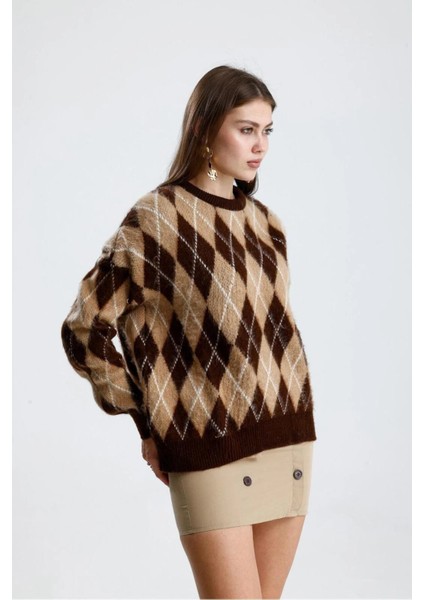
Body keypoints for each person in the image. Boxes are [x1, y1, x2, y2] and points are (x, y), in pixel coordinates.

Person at [61, 65, 317, 599]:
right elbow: (84, 329)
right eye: (246, 129)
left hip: (287, 436)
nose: (261, 145)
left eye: (267, 130)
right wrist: (146, 419)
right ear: (204, 129)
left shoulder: (267, 225)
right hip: (206, 445)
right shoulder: (156, 219)